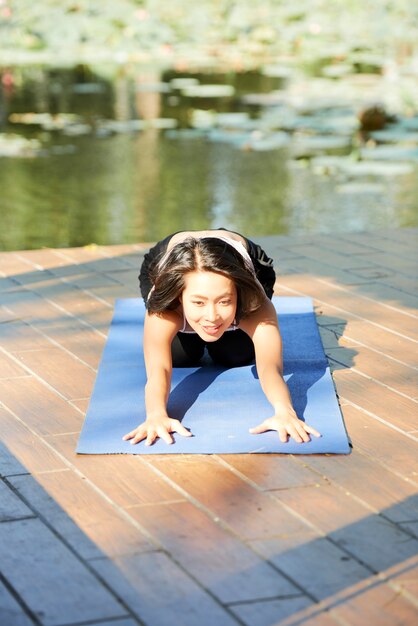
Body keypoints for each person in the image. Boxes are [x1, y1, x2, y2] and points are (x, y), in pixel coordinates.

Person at [123, 228, 320, 447]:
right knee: (180, 357)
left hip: (245, 262)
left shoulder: (252, 300)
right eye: (198, 302)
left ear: (238, 294)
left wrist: (285, 412)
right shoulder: (167, 303)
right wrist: (156, 415)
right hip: (165, 260)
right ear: (179, 296)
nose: (212, 316)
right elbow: (159, 368)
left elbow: (269, 366)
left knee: (237, 355)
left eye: (224, 301)